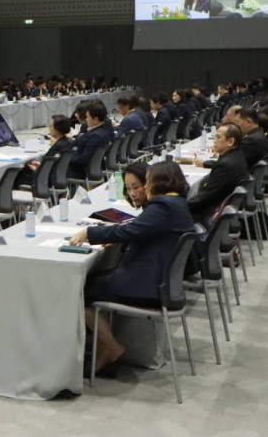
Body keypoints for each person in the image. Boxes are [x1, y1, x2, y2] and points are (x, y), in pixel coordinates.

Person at [69, 160, 193, 373]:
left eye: (146, 182)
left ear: (159, 182)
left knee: (82, 289)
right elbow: (142, 230)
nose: (144, 187)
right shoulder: (178, 204)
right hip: (163, 282)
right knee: (97, 279)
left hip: (147, 284)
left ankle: (111, 347)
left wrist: (90, 233)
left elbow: (133, 230)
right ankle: (102, 347)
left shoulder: (163, 206)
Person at [189, 122, 247, 227]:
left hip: (212, 213)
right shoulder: (237, 155)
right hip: (223, 208)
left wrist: (182, 205)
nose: (214, 141)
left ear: (230, 141)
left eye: (218, 137)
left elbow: (205, 197)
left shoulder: (225, 165)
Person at [68, 101, 115, 180]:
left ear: (95, 119)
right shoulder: (105, 129)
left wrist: (66, 160)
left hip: (80, 170)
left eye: (87, 117)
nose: (86, 120)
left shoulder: (96, 136)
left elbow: (84, 159)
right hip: (95, 166)